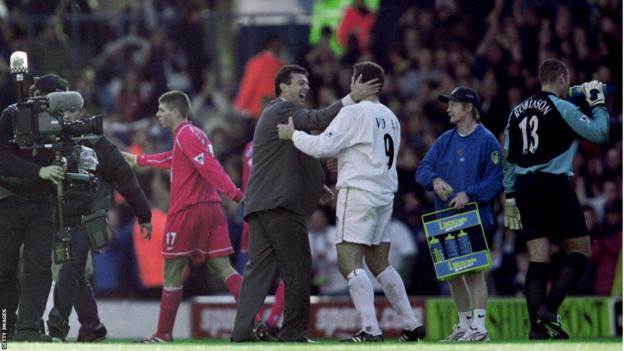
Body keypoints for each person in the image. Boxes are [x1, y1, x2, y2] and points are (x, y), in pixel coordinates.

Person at [277, 61, 425, 342]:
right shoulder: (391, 117)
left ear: (358, 79)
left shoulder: (354, 112)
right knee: (380, 262)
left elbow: (321, 147)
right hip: (384, 194)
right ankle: (411, 324)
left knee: (348, 262)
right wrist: (344, 158)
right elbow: (368, 151)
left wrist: (293, 134)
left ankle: (371, 329)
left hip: (358, 193)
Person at [230, 64, 379, 342]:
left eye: (307, 84)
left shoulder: (278, 117)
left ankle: (240, 334)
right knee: (298, 269)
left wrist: (317, 184)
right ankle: (294, 334)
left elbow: (302, 150)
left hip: (260, 208)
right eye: (300, 83)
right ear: (283, 87)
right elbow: (318, 119)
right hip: (281, 207)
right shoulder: (282, 110)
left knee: (257, 273)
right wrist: (352, 97)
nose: (305, 88)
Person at [122, 90, 250, 343]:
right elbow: (174, 158)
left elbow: (209, 166)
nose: (157, 114)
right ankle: (255, 322)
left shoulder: (186, 134)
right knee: (223, 268)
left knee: (172, 270)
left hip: (188, 210)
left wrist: (235, 194)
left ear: (176, 112)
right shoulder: (194, 134)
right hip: (211, 209)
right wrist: (141, 160)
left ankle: (163, 334)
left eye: (161, 110)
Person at [503, 59, 609, 339]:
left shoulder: (516, 112)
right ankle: (549, 309)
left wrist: (510, 195)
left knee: (539, 258)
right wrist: (597, 104)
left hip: (524, 187)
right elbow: (600, 133)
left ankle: (537, 330)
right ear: (562, 78)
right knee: (580, 250)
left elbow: (508, 158)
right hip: (553, 185)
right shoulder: (563, 108)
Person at [46, 104, 153, 342]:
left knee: (71, 266)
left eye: (73, 111)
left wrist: (144, 215)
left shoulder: (98, 143)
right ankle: (92, 326)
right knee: (75, 273)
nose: (68, 116)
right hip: (59, 217)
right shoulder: (50, 139)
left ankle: (56, 325)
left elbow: (126, 178)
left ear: (82, 114)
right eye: (64, 112)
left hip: (89, 217)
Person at [416, 86, 503, 342]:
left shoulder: (487, 140)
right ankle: (465, 325)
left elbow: (496, 179)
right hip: (444, 218)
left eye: (453, 104)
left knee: (474, 271)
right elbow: (422, 168)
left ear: (468, 108)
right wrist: (434, 181)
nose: (448, 109)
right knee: (452, 273)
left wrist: (469, 194)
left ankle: (479, 327)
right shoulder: (445, 139)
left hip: (474, 216)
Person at [0, 74, 67, 341]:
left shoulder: (60, 121)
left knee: (39, 267)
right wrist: (38, 171)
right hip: (9, 199)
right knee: (4, 267)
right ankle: (5, 326)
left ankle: (28, 328)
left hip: (42, 204)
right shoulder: (11, 116)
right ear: (36, 92)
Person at [240, 140, 285, 338]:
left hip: (252, 212)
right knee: (290, 269)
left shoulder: (250, 146)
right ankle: (273, 319)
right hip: (277, 209)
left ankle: (255, 322)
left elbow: (246, 182)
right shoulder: (284, 142)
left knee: (254, 273)